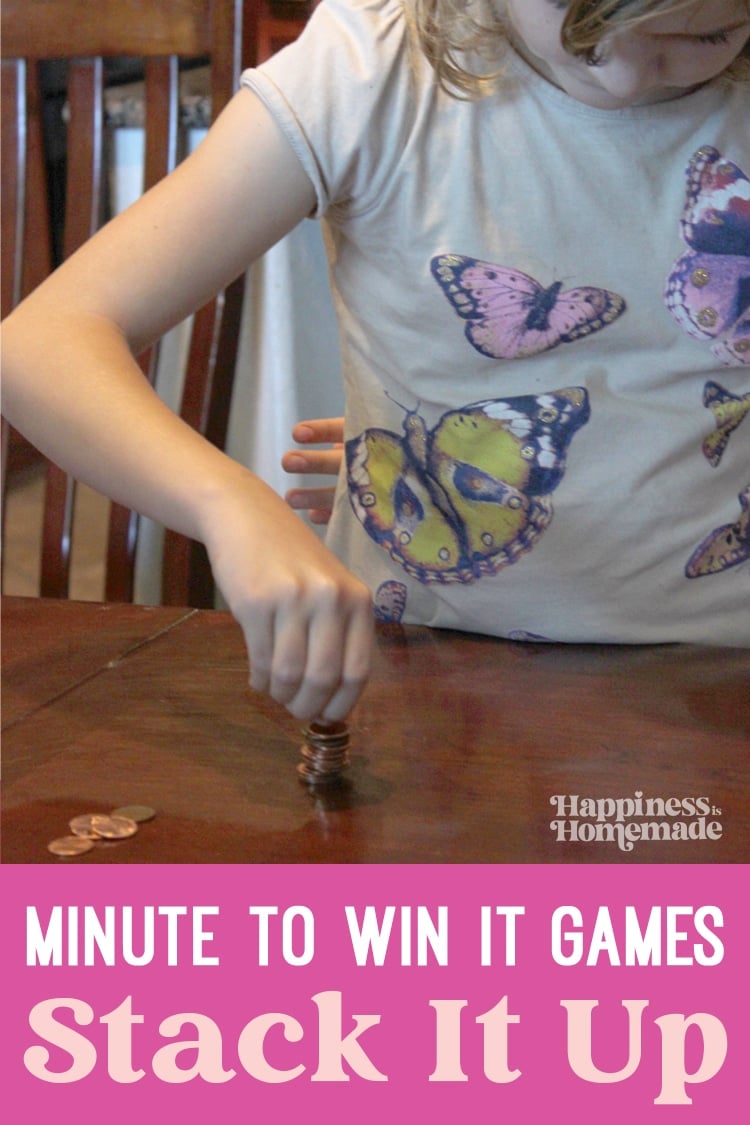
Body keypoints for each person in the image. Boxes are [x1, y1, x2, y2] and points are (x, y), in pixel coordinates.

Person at [3, 0, 749, 725]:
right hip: (425, 685)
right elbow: (40, 345)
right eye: (570, 15)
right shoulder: (369, 72)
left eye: (706, 34)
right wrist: (229, 504)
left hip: (716, 686)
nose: (620, 78)